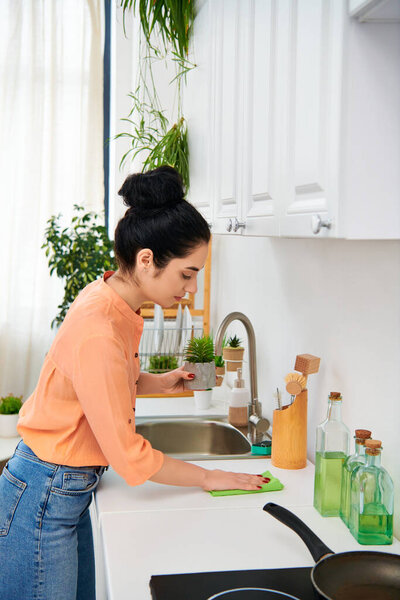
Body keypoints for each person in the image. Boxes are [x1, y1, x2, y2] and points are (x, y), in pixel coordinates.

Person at [0, 166, 269, 600]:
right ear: (147, 260)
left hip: (60, 491)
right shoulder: (100, 329)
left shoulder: (112, 300)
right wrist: (208, 477)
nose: (192, 287)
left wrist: (162, 383)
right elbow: (130, 458)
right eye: (186, 273)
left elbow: (106, 381)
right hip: (44, 498)